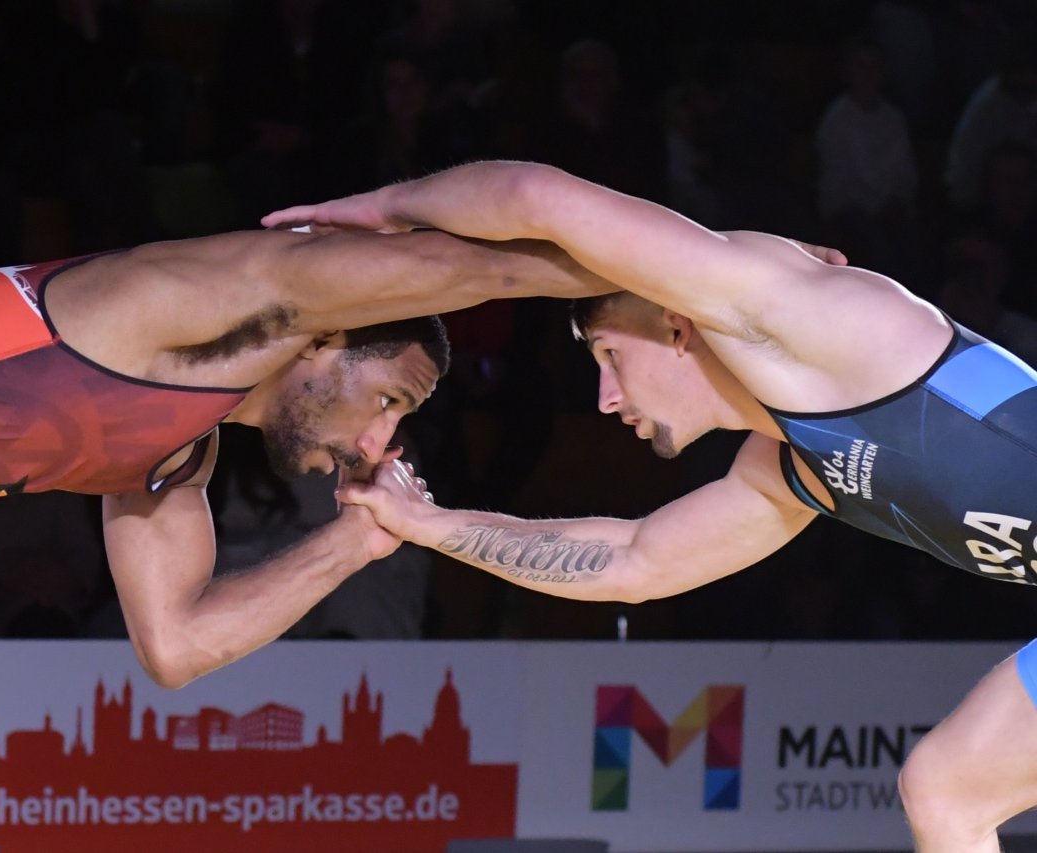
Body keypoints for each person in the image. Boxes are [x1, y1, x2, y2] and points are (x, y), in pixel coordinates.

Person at [265, 160, 1037, 853]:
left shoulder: (804, 322)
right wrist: (429, 526)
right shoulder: (797, 460)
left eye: (608, 356)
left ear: (675, 324)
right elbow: (636, 561)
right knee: (946, 792)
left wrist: (388, 207)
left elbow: (540, 197)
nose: (605, 399)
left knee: (947, 788)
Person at [0, 224, 616, 851]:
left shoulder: (176, 448)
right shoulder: (200, 305)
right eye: (389, 399)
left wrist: (354, 542)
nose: (377, 440)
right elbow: (471, 264)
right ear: (325, 339)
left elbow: (176, 645)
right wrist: (677, 273)